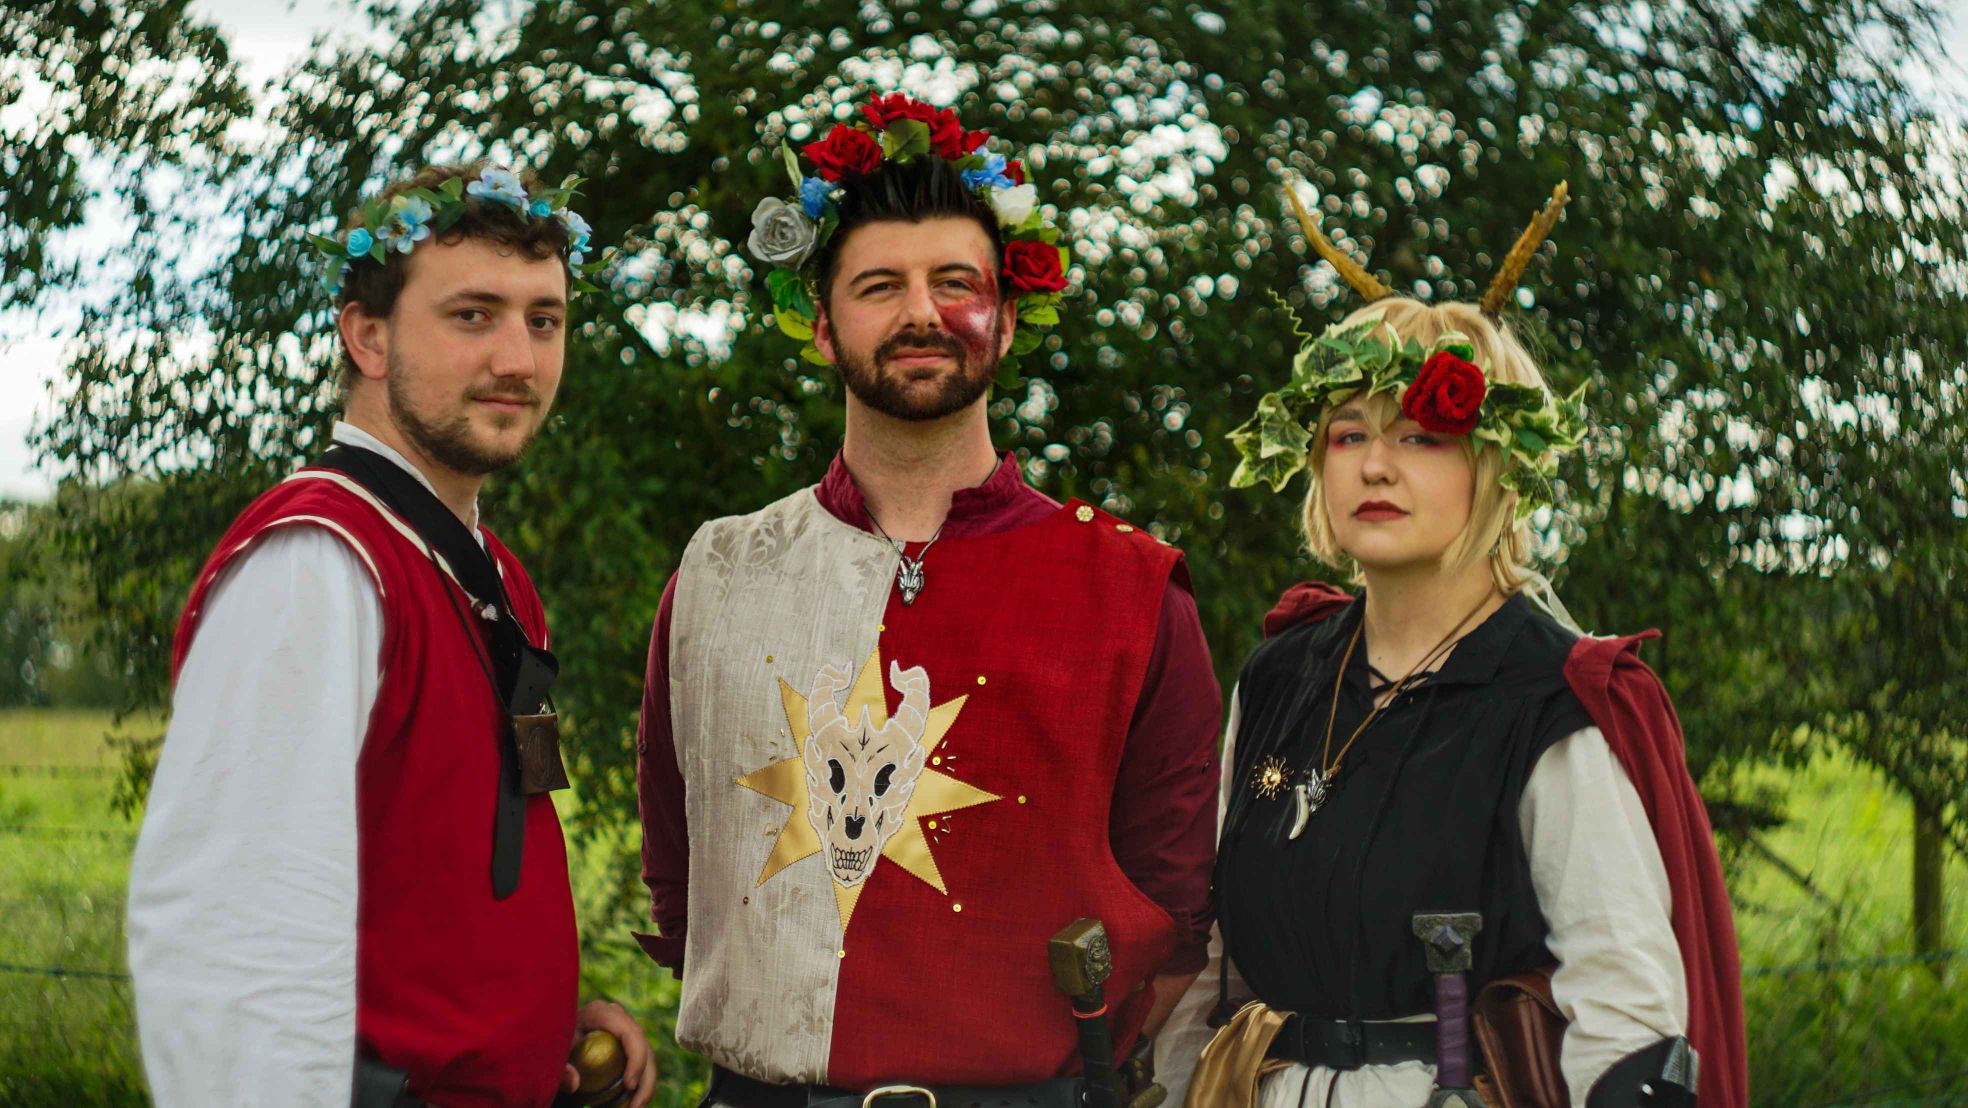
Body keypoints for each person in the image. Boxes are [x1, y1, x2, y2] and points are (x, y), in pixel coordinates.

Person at [634, 94, 1221, 1106]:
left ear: (1008, 316)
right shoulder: (721, 573)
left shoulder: (1133, 587)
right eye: (880, 286)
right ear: (822, 326)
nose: (923, 313)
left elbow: (1175, 922)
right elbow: (682, 883)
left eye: (956, 283)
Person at [1157, 182, 1746, 1107]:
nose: (1375, 465)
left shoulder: (1549, 699)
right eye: (1349, 434)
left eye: (1423, 438)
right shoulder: (1280, 677)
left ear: (1496, 466)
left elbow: (1626, 1010)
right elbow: (1213, 958)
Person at [127, 161, 656, 1107]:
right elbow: (233, 944)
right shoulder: (317, 563)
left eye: (543, 320)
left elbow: (434, 879)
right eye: (473, 315)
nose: (518, 360)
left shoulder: (491, 575)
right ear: (367, 337)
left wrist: (531, 1027)